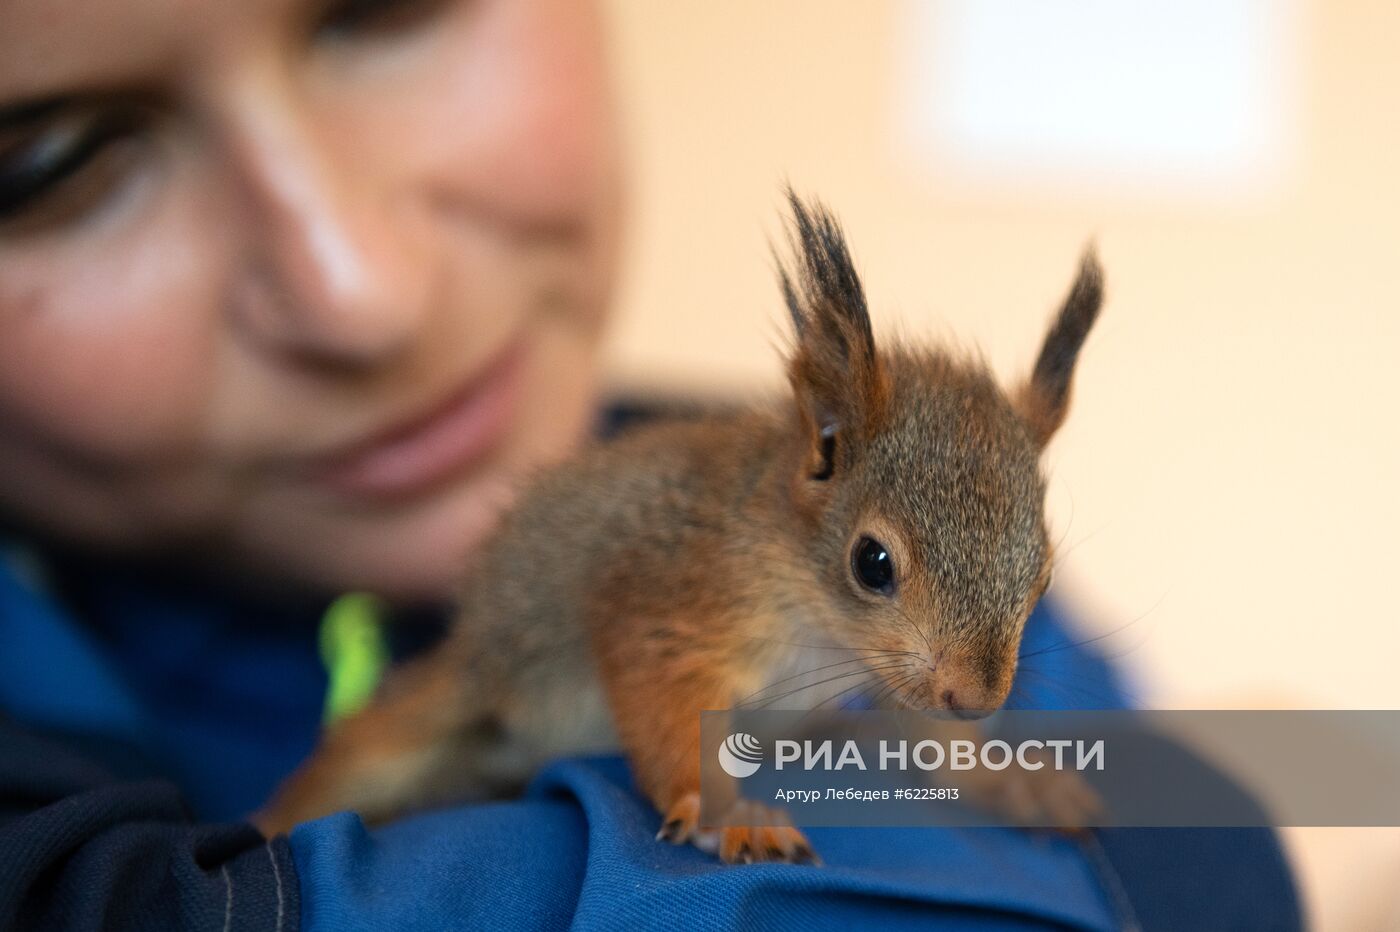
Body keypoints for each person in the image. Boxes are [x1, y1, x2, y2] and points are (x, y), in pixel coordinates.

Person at [0, 1, 1301, 929]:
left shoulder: (997, 638)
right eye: (46, 161)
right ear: (824, 455)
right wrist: (710, 795)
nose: (363, 297)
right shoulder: (724, 553)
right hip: (515, 691)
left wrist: (1001, 768)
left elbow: (1202, 826)